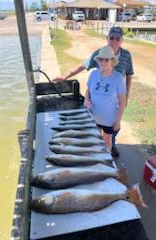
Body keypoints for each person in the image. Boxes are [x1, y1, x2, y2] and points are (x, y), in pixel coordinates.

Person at [53, 26, 134, 157]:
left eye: (117, 38)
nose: (114, 40)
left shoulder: (126, 55)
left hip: (116, 97)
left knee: (112, 128)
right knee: (96, 130)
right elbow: (83, 66)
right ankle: (100, 148)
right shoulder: (98, 53)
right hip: (99, 97)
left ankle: (111, 146)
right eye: (111, 37)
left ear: (121, 40)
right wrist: (65, 77)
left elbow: (129, 76)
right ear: (107, 39)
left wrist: (126, 97)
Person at [84, 45, 126, 152]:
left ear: (112, 61)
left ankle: (106, 162)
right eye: (101, 59)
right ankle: (97, 162)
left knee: (107, 142)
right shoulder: (93, 74)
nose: (103, 62)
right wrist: (86, 99)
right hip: (93, 117)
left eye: (106, 59)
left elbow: (122, 102)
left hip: (109, 120)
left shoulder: (118, 78)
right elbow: (88, 90)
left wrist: (118, 120)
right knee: (95, 141)